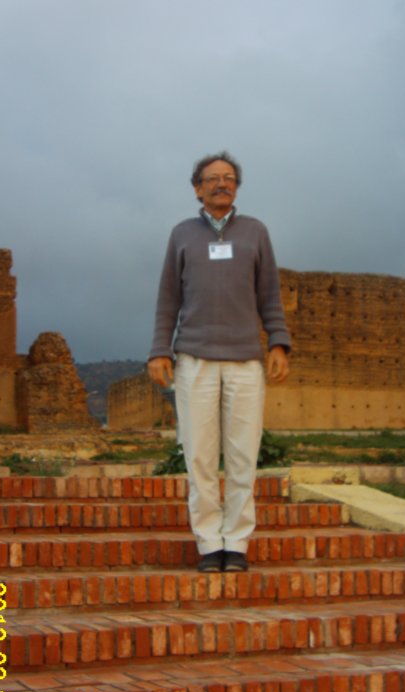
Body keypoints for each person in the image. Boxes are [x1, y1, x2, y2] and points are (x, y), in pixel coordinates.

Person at [148, 151, 291, 573]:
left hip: (245, 360)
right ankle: (210, 542)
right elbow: (168, 298)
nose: (222, 184)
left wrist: (279, 343)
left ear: (237, 187)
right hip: (194, 360)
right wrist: (159, 349)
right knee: (200, 456)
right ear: (198, 188)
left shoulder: (255, 232)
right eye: (212, 178)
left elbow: (270, 294)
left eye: (229, 178)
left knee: (244, 455)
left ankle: (238, 542)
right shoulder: (182, 235)